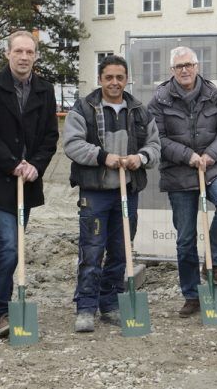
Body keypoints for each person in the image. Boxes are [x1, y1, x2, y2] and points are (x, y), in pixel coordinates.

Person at [0, 30, 59, 338]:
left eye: (29, 52)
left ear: (36, 56)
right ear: (8, 54)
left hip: (29, 180)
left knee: (16, 246)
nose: (24, 57)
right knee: (8, 245)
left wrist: (36, 165)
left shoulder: (45, 90)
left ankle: (5, 305)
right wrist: (12, 164)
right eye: (18, 51)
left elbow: (50, 135)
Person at [64, 54, 161, 333]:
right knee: (92, 251)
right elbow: (71, 144)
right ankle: (85, 307)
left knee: (120, 251)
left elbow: (155, 146)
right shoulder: (83, 109)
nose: (114, 82)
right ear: (100, 79)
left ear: (126, 79)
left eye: (120, 77)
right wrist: (102, 157)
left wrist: (140, 158)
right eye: (109, 77)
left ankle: (110, 304)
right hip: (95, 193)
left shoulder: (140, 111)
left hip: (127, 191)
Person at [148, 46, 217, 318]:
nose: (185, 70)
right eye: (179, 66)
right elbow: (158, 139)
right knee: (185, 239)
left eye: (189, 64)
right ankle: (191, 294)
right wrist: (189, 156)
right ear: (172, 71)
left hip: (212, 167)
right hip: (179, 172)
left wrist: (211, 155)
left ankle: (213, 260)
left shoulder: (214, 96)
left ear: (197, 66)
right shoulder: (160, 100)